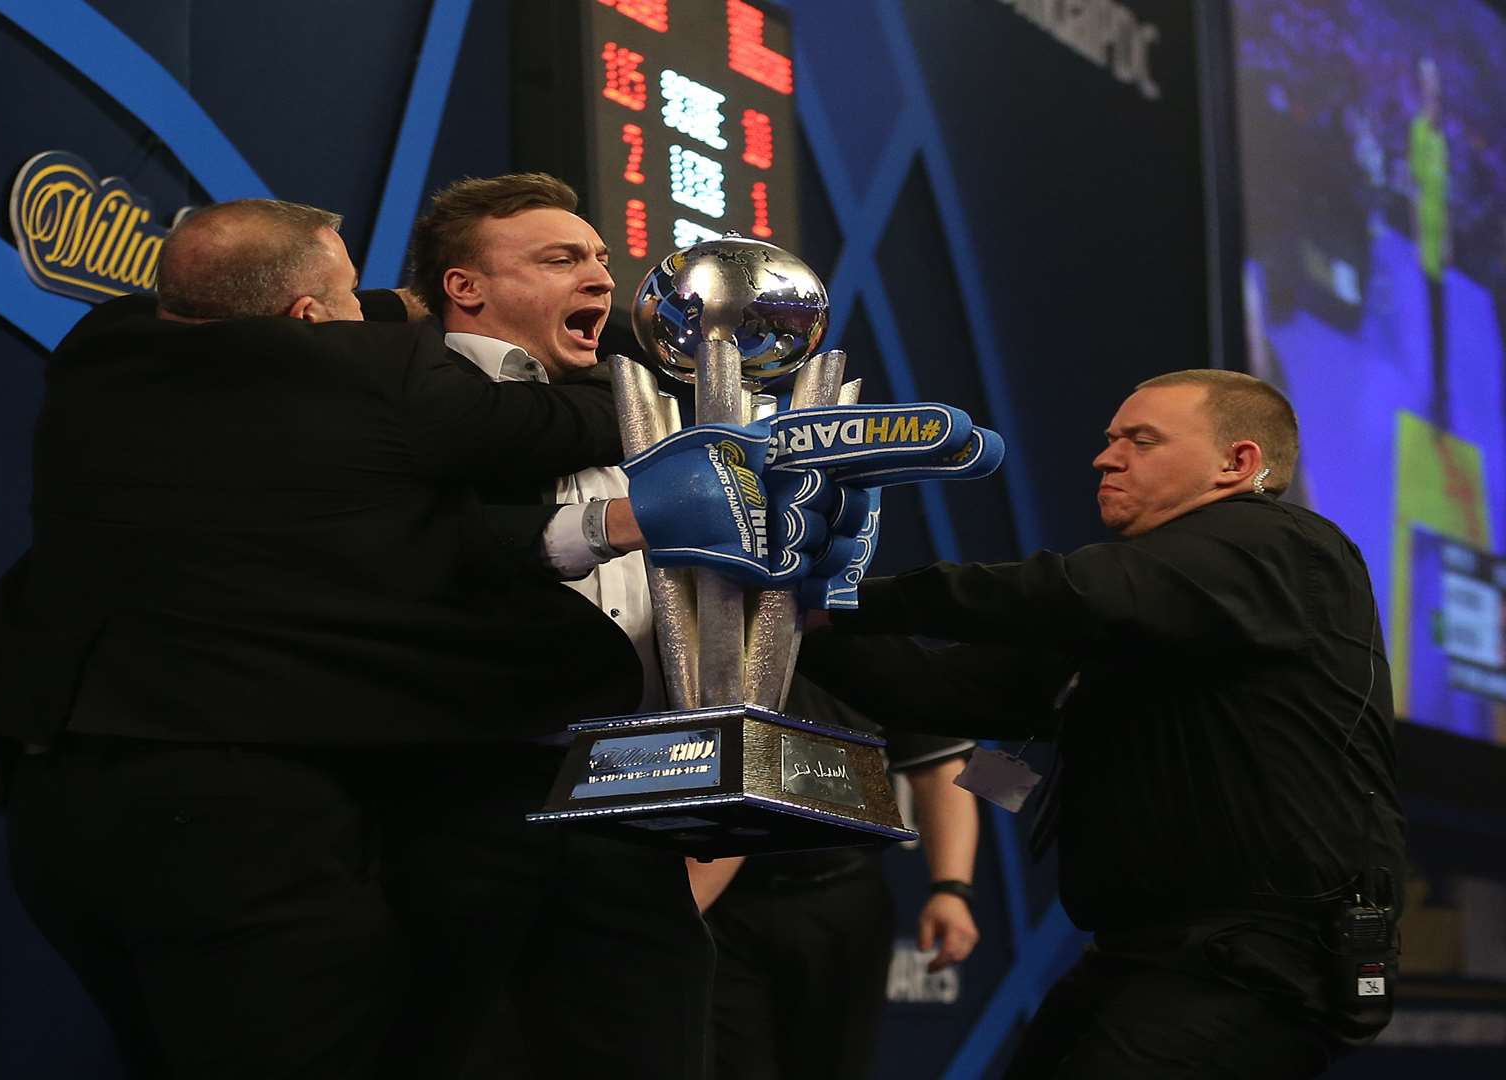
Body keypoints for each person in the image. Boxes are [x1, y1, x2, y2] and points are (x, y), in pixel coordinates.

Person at [0, 197, 655, 1078]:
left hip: (59, 810)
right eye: (351, 295)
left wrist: (404, 299)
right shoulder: (378, 376)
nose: (373, 309)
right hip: (244, 824)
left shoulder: (108, 346)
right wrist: (641, 372)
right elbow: (548, 428)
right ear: (311, 318)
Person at [798, 369, 1406, 1077]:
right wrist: (799, 624)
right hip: (1152, 954)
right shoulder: (1153, 603)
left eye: (1141, 441)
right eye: (1111, 439)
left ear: (1237, 464)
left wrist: (845, 598)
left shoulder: (1281, 544)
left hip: (1257, 958)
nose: (1106, 457)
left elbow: (1071, 590)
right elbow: (944, 689)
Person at [380, 173, 714, 1079]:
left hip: (628, 821)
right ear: (467, 287)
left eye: (603, 259)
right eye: (562, 259)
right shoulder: (400, 401)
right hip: (456, 815)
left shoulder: (644, 418)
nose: (603, 279)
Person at [694, 676, 980, 1080]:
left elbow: (940, 769)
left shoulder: (869, 654)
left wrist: (951, 889)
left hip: (840, 897)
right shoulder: (706, 643)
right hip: (722, 909)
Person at [1411, 56, 1452, 432]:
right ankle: (1434, 387)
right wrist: (1417, 238)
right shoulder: (1421, 132)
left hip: (1443, 249)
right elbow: (1416, 187)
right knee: (1430, 319)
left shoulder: (1443, 139)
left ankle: (1441, 390)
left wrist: (1448, 242)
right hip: (1426, 246)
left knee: (1442, 322)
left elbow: (1446, 196)